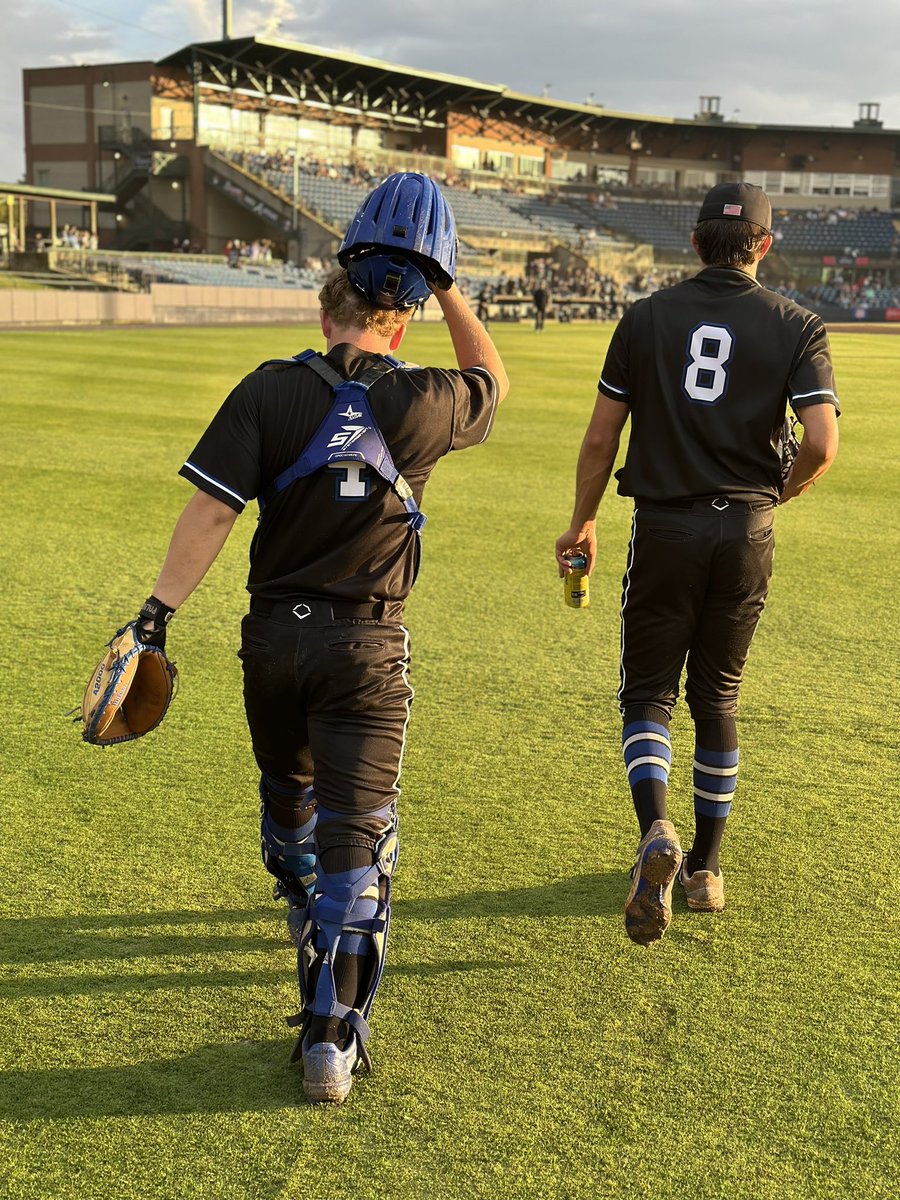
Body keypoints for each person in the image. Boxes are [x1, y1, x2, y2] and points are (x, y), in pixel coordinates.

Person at [118, 174, 508, 1102]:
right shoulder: (422, 401)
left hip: (271, 647)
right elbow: (493, 379)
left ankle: (308, 915)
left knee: (288, 810)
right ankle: (331, 1036)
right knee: (361, 842)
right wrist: (445, 280)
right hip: (368, 650)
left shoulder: (269, 390)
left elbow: (210, 516)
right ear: (400, 319)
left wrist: (155, 615)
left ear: (324, 303)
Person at [554, 182, 839, 947]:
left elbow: (598, 440)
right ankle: (706, 871)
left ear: (695, 240)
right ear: (764, 245)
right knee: (718, 695)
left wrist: (582, 520)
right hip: (745, 527)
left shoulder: (646, 318)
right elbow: (822, 441)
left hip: (665, 527)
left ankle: (656, 830)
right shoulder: (799, 323)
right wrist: (779, 493)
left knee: (648, 692)